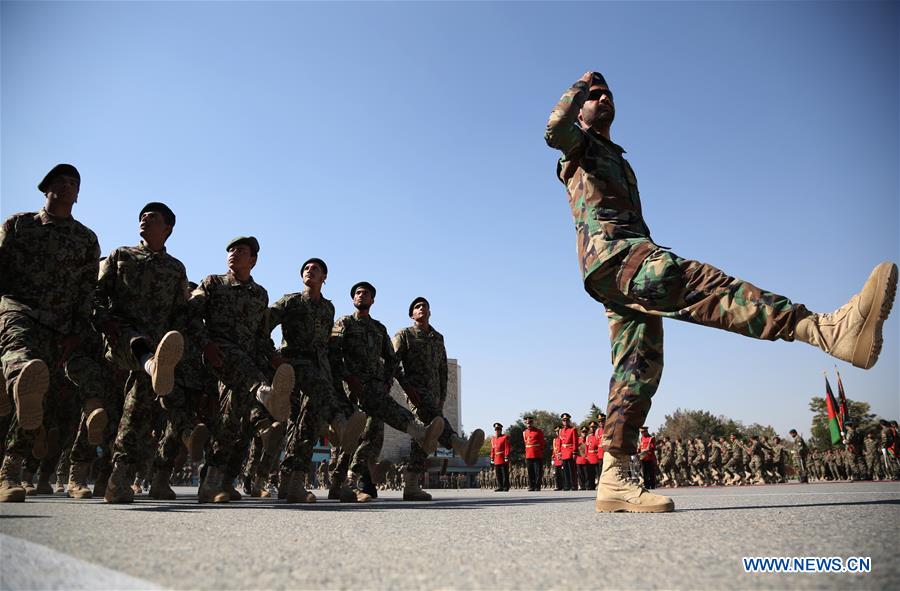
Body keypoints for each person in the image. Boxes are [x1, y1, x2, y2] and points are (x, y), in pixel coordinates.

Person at [545, 71, 897, 512]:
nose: (603, 98)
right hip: (617, 259)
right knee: (702, 284)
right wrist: (580, 84)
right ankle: (827, 330)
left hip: (620, 264)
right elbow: (553, 130)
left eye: (607, 94)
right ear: (580, 106)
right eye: (594, 96)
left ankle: (614, 476)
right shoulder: (578, 143)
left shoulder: (617, 157)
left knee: (639, 365)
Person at [0, 164, 101, 503]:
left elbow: (88, 290)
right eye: (62, 181)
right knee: (22, 360)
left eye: (75, 182)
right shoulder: (19, 225)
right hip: (18, 308)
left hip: (58, 324)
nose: (69, 186)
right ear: (46, 188)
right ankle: (12, 379)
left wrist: (76, 329)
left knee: (34, 394)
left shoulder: (86, 239)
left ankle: (11, 470)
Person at [93, 203, 189, 503]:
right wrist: (102, 319)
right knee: (108, 410)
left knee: (136, 414)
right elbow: (95, 294)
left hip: (158, 348)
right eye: (142, 216)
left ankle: (118, 477)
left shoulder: (175, 269)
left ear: (168, 228)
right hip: (121, 337)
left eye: (154, 217)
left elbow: (181, 314)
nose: (145, 219)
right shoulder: (121, 255)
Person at [190, 236, 294, 503]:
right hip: (218, 357)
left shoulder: (260, 294)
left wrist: (273, 359)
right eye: (232, 250)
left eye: (242, 250)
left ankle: (221, 481)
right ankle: (265, 394)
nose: (235, 253)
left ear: (253, 260)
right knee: (235, 414)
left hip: (246, 363)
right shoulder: (212, 283)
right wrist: (206, 345)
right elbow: (191, 315)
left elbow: (261, 337)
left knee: (234, 425)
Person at [328, 281, 443, 502]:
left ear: (373, 300)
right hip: (349, 389)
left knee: (372, 436)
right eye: (358, 293)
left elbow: (392, 360)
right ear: (353, 299)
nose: (362, 296)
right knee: (355, 432)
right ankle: (419, 431)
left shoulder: (379, 328)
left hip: (373, 387)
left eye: (367, 293)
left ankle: (347, 482)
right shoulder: (344, 322)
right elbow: (332, 353)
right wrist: (348, 378)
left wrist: (387, 381)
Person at [268, 258, 366, 504]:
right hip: (296, 366)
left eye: (316, 269)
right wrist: (273, 355)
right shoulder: (290, 301)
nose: (310, 271)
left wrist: (336, 372)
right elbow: (264, 324)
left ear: (325, 277)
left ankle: (292, 481)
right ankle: (341, 427)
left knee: (308, 423)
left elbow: (327, 346)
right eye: (306, 269)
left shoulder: (327, 309)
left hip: (321, 370)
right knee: (322, 397)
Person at [392, 296, 484, 501]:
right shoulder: (404, 335)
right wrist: (405, 385)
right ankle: (460, 445)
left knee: (425, 436)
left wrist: (442, 396)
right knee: (430, 426)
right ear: (411, 315)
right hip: (415, 391)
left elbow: (443, 369)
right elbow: (393, 362)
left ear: (430, 312)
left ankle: (412, 485)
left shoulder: (438, 338)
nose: (421, 308)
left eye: (425, 306)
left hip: (434, 394)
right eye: (417, 307)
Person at [522, 415, 545, 491]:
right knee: (530, 472)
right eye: (527, 423)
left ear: (532, 423)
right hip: (529, 454)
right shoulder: (525, 432)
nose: (529, 424)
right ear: (526, 423)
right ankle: (531, 486)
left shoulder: (538, 431)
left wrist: (540, 451)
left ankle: (537, 486)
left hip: (537, 454)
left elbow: (542, 443)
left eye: (530, 422)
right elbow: (526, 443)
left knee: (537, 471)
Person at [557, 413, 577, 490]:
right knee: (565, 470)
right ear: (562, 421)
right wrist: (559, 452)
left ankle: (573, 485)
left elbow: (575, 442)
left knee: (571, 470)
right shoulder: (561, 431)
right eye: (564, 420)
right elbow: (559, 442)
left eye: (567, 420)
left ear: (569, 421)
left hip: (570, 451)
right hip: (563, 452)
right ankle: (567, 485)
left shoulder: (573, 430)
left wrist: (574, 452)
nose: (565, 421)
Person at [490, 422, 510, 491]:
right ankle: (500, 486)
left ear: (501, 430)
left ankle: (505, 486)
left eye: (498, 429)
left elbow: (507, 447)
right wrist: (492, 458)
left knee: (504, 473)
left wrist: (506, 456)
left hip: (502, 458)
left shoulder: (504, 437)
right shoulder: (493, 439)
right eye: (496, 429)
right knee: (498, 474)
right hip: (496, 458)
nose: (497, 431)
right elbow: (492, 449)